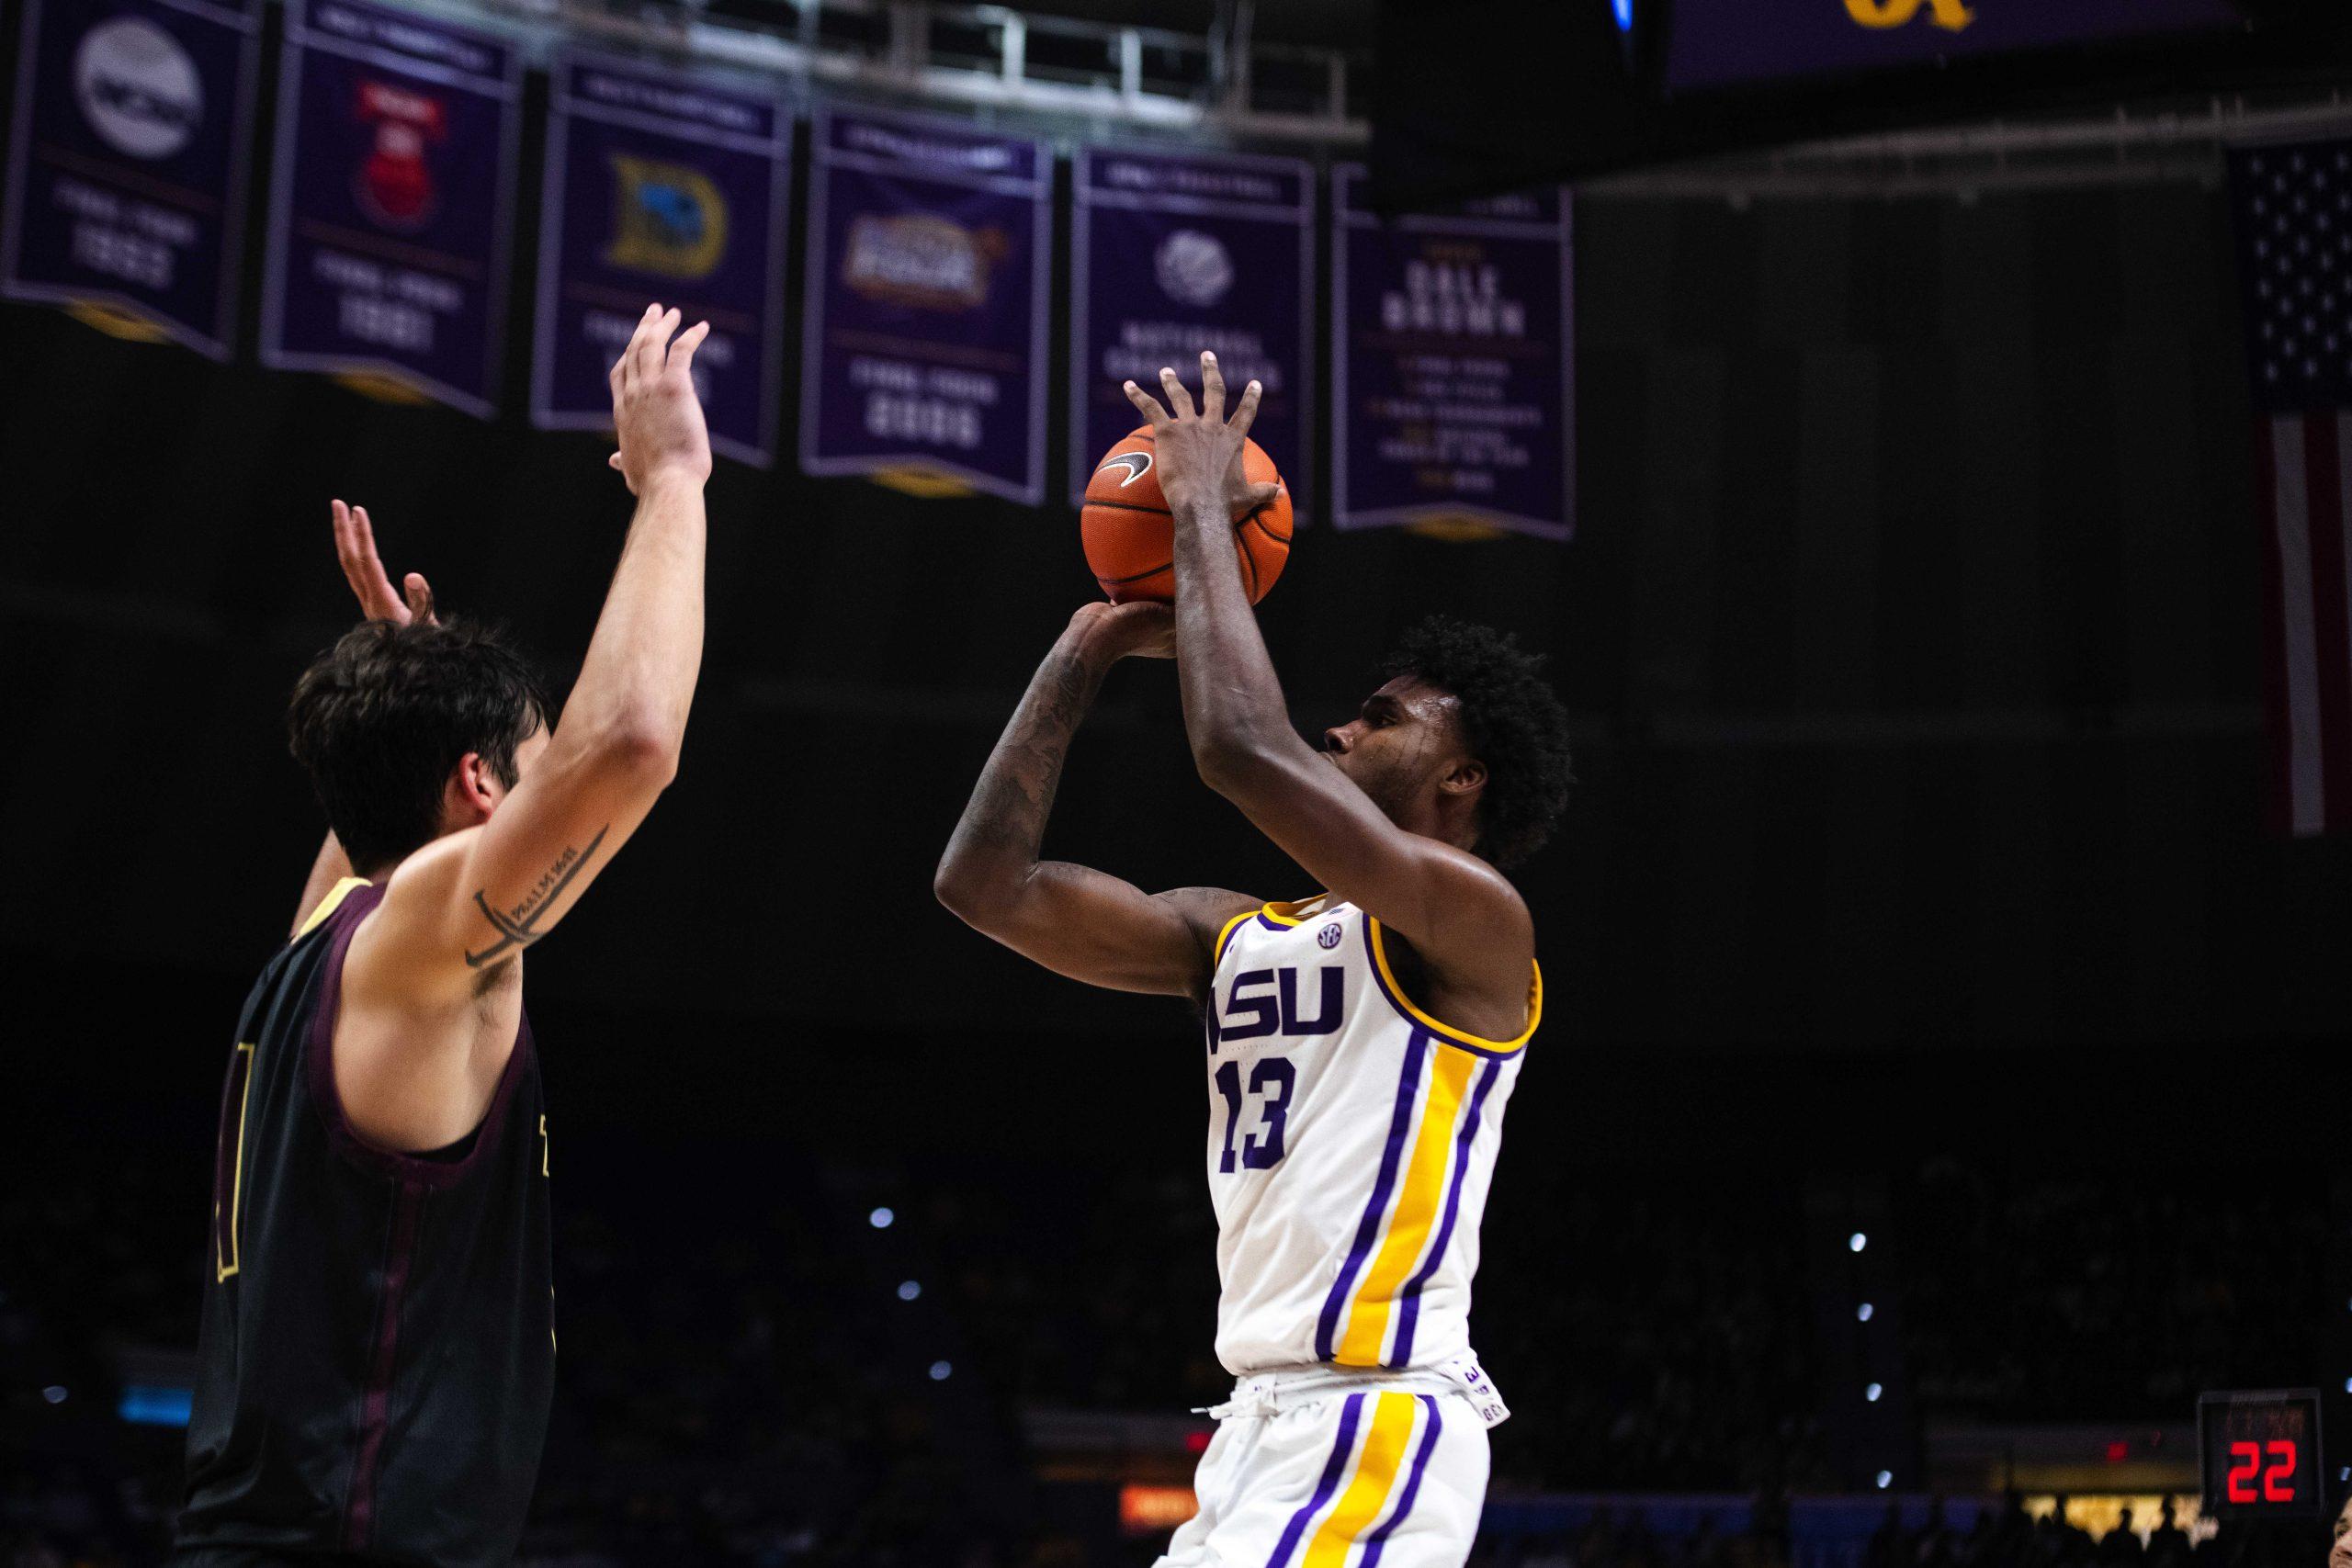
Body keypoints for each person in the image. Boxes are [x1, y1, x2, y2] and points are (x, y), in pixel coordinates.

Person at [936, 351, 1574, 1566]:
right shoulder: (1231, 935)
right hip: (1254, 1434)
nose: (1347, 723)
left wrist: (1195, 517)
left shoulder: (1477, 927)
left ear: (1463, 776)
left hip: (1379, 1417)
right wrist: (1076, 658)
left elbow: (1241, 747)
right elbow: (986, 889)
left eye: (1386, 716)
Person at [173, 304, 715, 1567]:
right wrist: (674, 483)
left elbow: (394, 809)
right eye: (527, 774)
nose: (547, 795)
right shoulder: (418, 936)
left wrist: (409, 686)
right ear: (479, 791)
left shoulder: (333, 929)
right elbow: (627, 745)